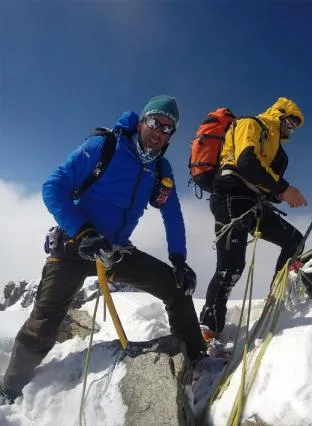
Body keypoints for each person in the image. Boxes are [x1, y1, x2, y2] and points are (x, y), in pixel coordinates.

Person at [0, 95, 206, 404]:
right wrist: (83, 231)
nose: (160, 131)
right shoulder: (105, 147)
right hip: (75, 244)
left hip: (115, 250)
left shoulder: (160, 168)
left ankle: (196, 362)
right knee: (46, 319)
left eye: (168, 128)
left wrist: (179, 258)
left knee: (175, 287)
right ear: (142, 122)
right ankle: (10, 389)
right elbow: (53, 186)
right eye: (155, 122)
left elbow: (172, 214)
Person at [200, 97, 312, 338]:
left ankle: (278, 298)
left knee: (294, 241)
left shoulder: (275, 146)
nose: (291, 130)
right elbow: (246, 162)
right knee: (231, 267)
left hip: (252, 202)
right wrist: (284, 189)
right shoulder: (251, 125)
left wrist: (277, 194)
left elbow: (261, 177)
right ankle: (209, 328)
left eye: (294, 128)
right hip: (230, 196)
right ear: (279, 115)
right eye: (290, 123)